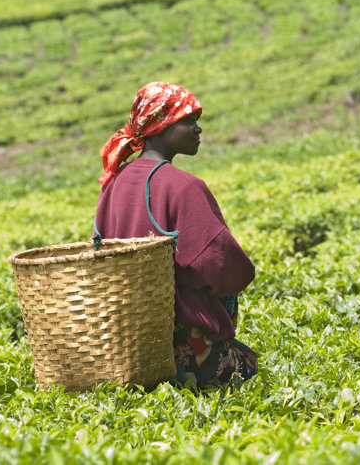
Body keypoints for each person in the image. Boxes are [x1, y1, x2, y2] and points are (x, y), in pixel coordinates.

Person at [94, 82, 258, 388]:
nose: (198, 129)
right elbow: (222, 265)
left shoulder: (114, 181)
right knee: (247, 364)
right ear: (162, 124)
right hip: (180, 351)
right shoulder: (184, 186)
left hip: (127, 345)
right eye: (188, 120)